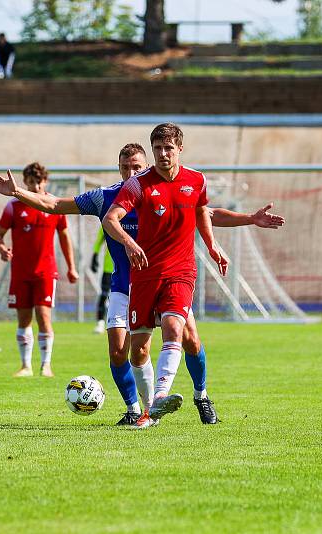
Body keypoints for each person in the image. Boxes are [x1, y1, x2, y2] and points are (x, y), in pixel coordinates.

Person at [0, 142, 284, 426]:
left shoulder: (158, 189)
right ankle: (135, 410)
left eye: (137, 167)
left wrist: (249, 219)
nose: (131, 173)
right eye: (125, 168)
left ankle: (201, 395)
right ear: (118, 169)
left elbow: (206, 213)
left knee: (190, 340)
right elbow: (53, 204)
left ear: (147, 165)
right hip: (124, 286)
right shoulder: (106, 198)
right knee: (119, 351)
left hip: (166, 279)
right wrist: (18, 193)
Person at [104, 123, 230, 427]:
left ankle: (175, 395)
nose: (163, 154)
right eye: (158, 148)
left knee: (178, 329)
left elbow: (202, 212)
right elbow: (111, 219)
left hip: (181, 271)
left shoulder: (196, 180)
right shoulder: (138, 185)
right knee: (139, 351)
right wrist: (130, 242)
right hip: (145, 274)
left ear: (180, 149)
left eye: (168, 148)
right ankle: (149, 412)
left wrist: (212, 246)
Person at [0, 162, 79, 378]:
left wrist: (71, 267)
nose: (35, 186)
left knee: (43, 315)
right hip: (20, 272)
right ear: (25, 183)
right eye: (30, 182)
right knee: (23, 319)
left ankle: (46, 365)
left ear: (45, 181)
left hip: (46, 272)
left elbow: (65, 237)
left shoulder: (54, 205)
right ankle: (25, 366)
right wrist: (2, 249)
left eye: (38, 182)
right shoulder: (13, 206)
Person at [90, 226, 114, 334]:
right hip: (108, 267)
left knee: (126, 295)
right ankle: (100, 323)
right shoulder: (110, 216)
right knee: (104, 294)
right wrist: (95, 254)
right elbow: (101, 236)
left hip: (126, 267)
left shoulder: (132, 219)